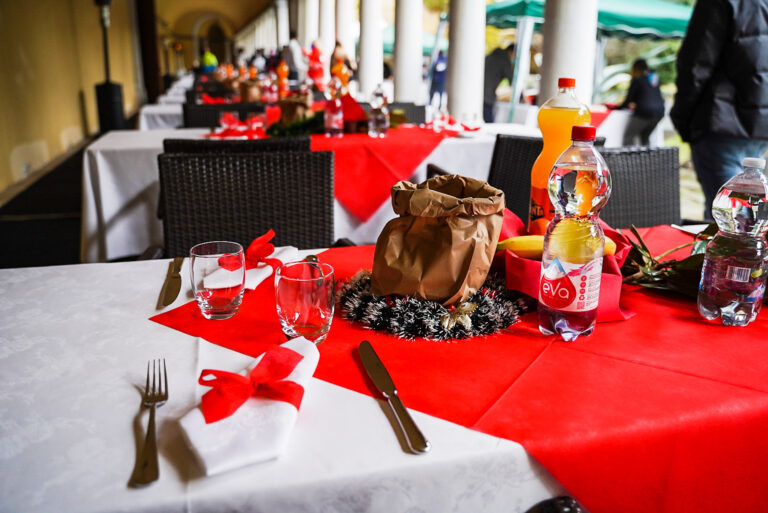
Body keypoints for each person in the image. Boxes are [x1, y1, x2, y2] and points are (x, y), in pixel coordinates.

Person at [670, 0, 768, 217]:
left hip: (721, 122)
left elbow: (695, 63)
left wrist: (682, 119)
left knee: (728, 220)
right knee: (747, 216)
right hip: (758, 126)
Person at [618, 59, 665, 146]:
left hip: (644, 113)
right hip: (659, 112)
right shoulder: (653, 79)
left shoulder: (638, 80)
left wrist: (615, 107)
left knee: (628, 136)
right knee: (645, 137)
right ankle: (647, 155)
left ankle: (629, 155)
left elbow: (628, 100)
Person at [483, 43, 515, 123]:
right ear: (511, 51)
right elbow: (511, 79)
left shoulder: (490, 56)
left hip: (478, 94)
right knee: (489, 122)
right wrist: (521, 96)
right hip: (487, 96)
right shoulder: (504, 60)